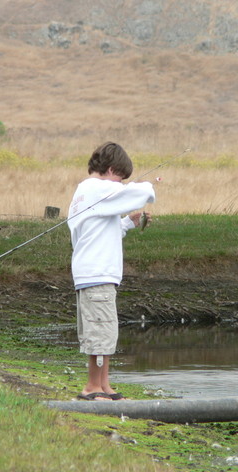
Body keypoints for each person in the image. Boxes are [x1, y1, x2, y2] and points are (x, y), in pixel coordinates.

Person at [67, 142, 155, 401]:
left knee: (104, 331)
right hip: (97, 274)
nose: (120, 184)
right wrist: (147, 184)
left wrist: (128, 222)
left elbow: (104, 228)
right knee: (100, 332)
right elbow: (144, 193)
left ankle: (104, 385)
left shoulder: (87, 193)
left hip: (93, 274)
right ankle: (92, 387)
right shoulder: (96, 188)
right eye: (120, 177)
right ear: (111, 168)